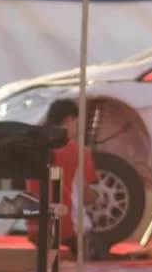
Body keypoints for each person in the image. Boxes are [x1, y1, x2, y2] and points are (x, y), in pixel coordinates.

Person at [25, 99, 99, 258]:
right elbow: (87, 197)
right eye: (76, 124)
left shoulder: (33, 147)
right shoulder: (78, 151)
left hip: (35, 228)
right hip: (68, 229)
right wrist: (99, 196)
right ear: (68, 119)